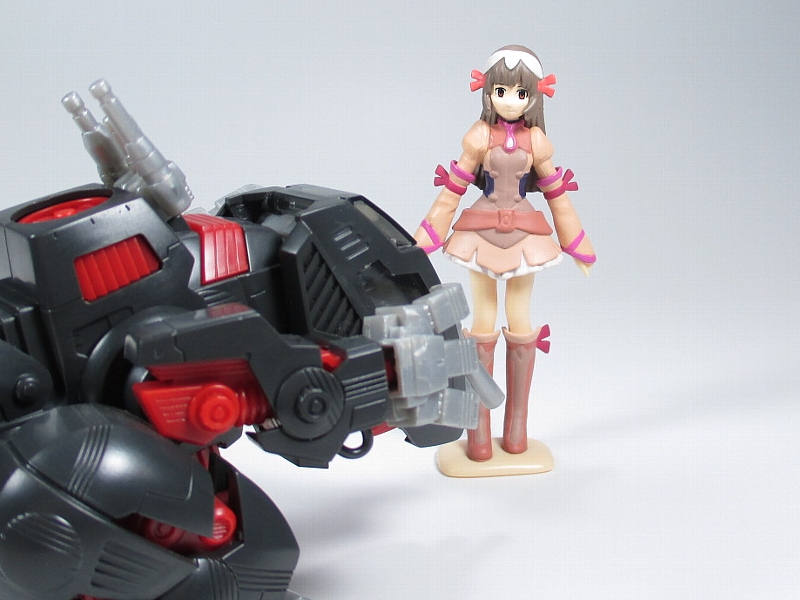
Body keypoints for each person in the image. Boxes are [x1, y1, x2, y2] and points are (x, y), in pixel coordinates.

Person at [415, 45, 595, 473]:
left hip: (525, 233)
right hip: (481, 230)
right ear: (487, 92)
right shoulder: (479, 136)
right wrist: (429, 233)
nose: (509, 101)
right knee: (481, 321)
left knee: (520, 317)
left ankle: (516, 432)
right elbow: (455, 186)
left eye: (520, 93)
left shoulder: (537, 142)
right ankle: (477, 437)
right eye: (501, 91)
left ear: (534, 97)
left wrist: (575, 242)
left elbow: (556, 194)